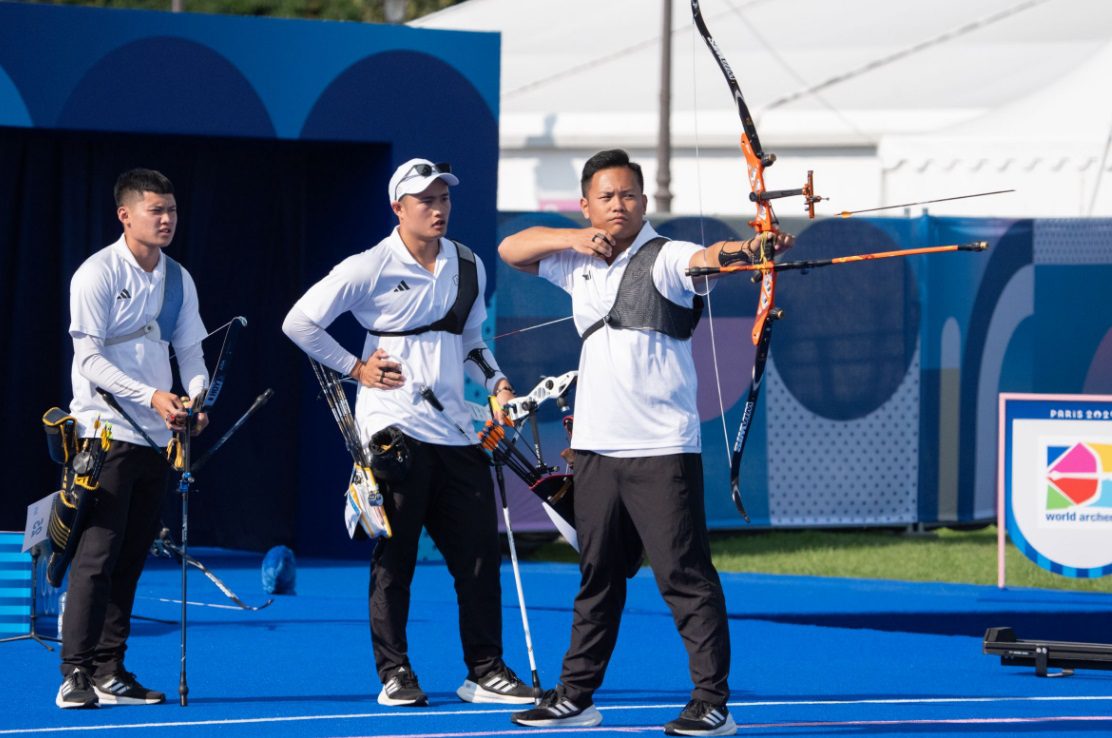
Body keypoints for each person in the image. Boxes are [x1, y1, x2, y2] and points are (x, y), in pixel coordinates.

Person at [498, 149, 793, 736]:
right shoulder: (577, 259)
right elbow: (512, 249)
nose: (618, 205)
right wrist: (575, 239)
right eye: (606, 197)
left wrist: (750, 251)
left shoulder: (666, 257)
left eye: (628, 195)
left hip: (661, 447)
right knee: (596, 575)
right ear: (587, 205)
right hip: (597, 451)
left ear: (644, 202)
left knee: (683, 575)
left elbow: (709, 260)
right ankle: (576, 697)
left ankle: (712, 702)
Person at [282, 158, 533, 708]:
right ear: (399, 208)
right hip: (392, 429)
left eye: (444, 198)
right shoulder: (368, 265)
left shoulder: (468, 264)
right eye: (426, 200)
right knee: (395, 558)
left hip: (456, 429)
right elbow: (298, 321)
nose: (439, 208)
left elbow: (471, 341)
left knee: (476, 556)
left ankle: (485, 671)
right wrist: (356, 367)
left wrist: (497, 384)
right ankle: (395, 674)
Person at [58, 168, 210, 708]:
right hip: (103, 433)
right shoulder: (96, 273)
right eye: (156, 211)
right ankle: (74, 673)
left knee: (132, 558)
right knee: (96, 557)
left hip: (158, 438)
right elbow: (90, 360)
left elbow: (191, 352)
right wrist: (152, 396)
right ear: (126, 215)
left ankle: (109, 668)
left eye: (171, 209)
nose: (167, 219)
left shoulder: (178, 279)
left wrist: (195, 398)